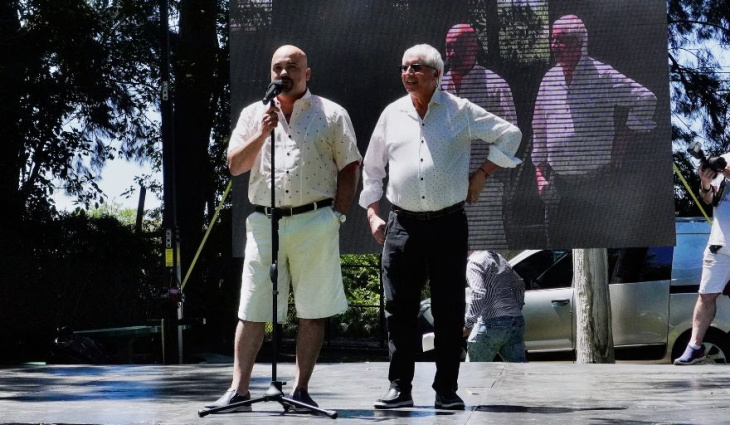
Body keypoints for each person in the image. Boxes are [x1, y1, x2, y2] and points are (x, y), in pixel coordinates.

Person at [360, 44, 522, 410]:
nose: (408, 74)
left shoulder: (459, 110)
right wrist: (371, 212)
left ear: (436, 74)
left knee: (449, 310)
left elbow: (510, 134)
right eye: (404, 67)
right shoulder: (392, 113)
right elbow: (372, 168)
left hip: (448, 223)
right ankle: (399, 388)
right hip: (403, 225)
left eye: (416, 67)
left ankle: (446, 390)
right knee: (399, 309)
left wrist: (482, 173)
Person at [203, 45, 362, 412]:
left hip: (315, 221)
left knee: (312, 310)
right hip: (264, 222)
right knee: (252, 307)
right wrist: (261, 134)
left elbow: (350, 166)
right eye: (278, 67)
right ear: (270, 73)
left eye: (292, 66)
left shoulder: (332, 113)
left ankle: (300, 391)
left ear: (307, 73)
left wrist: (336, 217)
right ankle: (239, 391)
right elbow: (235, 166)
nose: (284, 73)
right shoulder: (253, 114)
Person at [531, 15, 657, 247]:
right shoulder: (549, 79)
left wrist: (624, 136)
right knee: (559, 249)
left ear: (579, 43)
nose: (555, 46)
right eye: (553, 40)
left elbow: (646, 99)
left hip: (597, 186)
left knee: (598, 248)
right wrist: (540, 176)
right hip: (559, 188)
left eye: (561, 40)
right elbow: (538, 130)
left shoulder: (602, 75)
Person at [441, 23, 518, 249]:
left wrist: (483, 174)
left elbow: (511, 139)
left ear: (474, 47)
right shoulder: (437, 88)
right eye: (448, 47)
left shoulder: (495, 86)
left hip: (484, 187)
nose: (451, 54)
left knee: (485, 252)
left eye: (457, 47)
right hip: (445, 189)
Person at [674, 155, 730, 365]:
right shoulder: (723, 159)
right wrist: (705, 182)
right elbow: (708, 199)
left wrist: (725, 171)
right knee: (706, 296)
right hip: (720, 245)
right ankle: (694, 348)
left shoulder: (724, 166)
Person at [463, 250, 526, 362]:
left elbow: (478, 293)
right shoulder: (500, 259)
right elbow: (519, 284)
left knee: (475, 370)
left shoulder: (474, 263)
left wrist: (468, 324)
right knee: (517, 369)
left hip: (490, 322)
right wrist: (516, 308)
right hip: (515, 321)